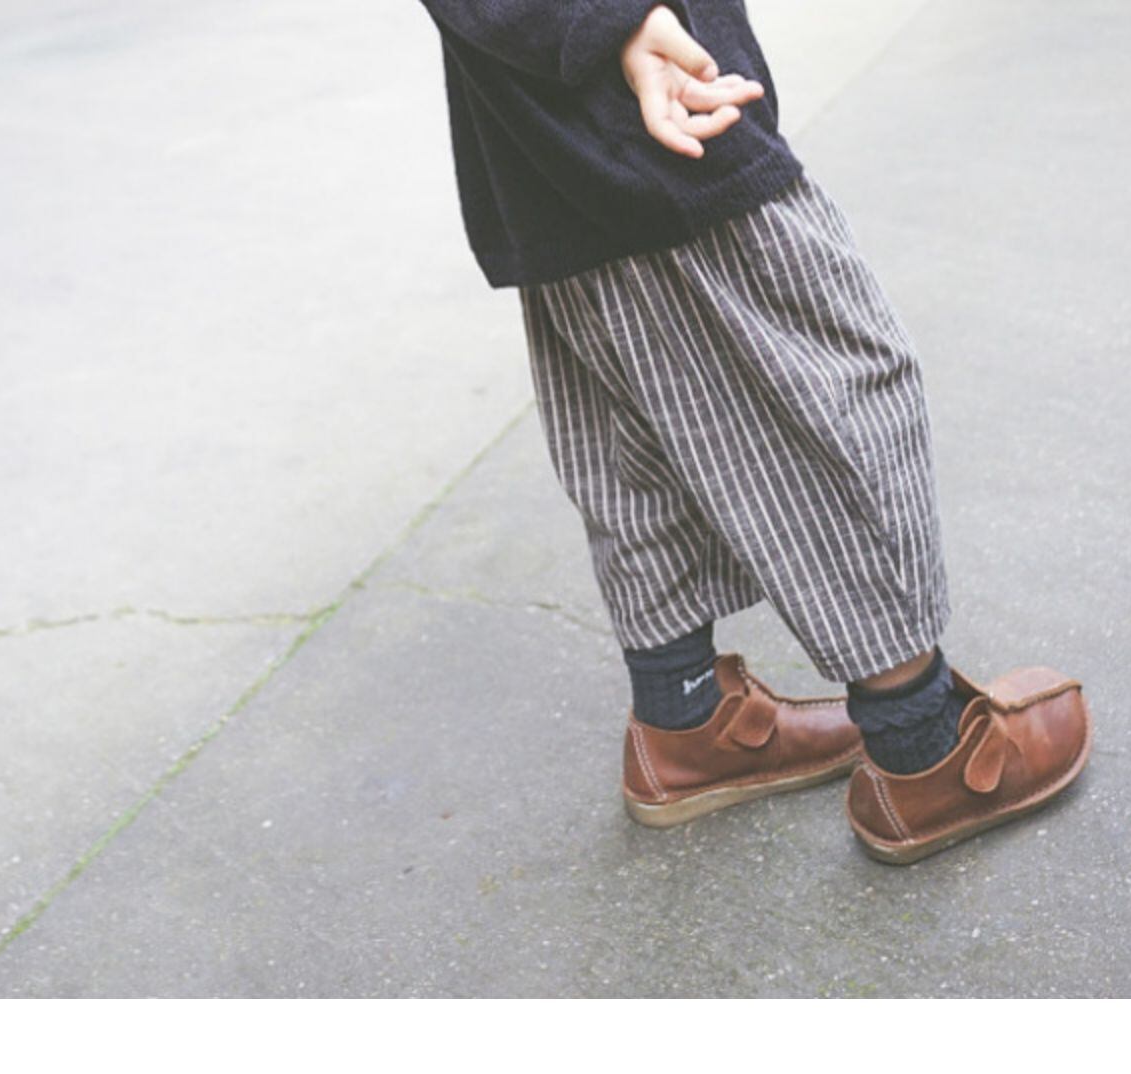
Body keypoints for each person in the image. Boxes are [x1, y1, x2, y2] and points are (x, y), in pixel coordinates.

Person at [416, 1, 1091, 863]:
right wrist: (609, 21)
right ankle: (924, 751)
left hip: (543, 103)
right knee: (833, 379)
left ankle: (685, 720)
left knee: (629, 421)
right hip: (633, 85)